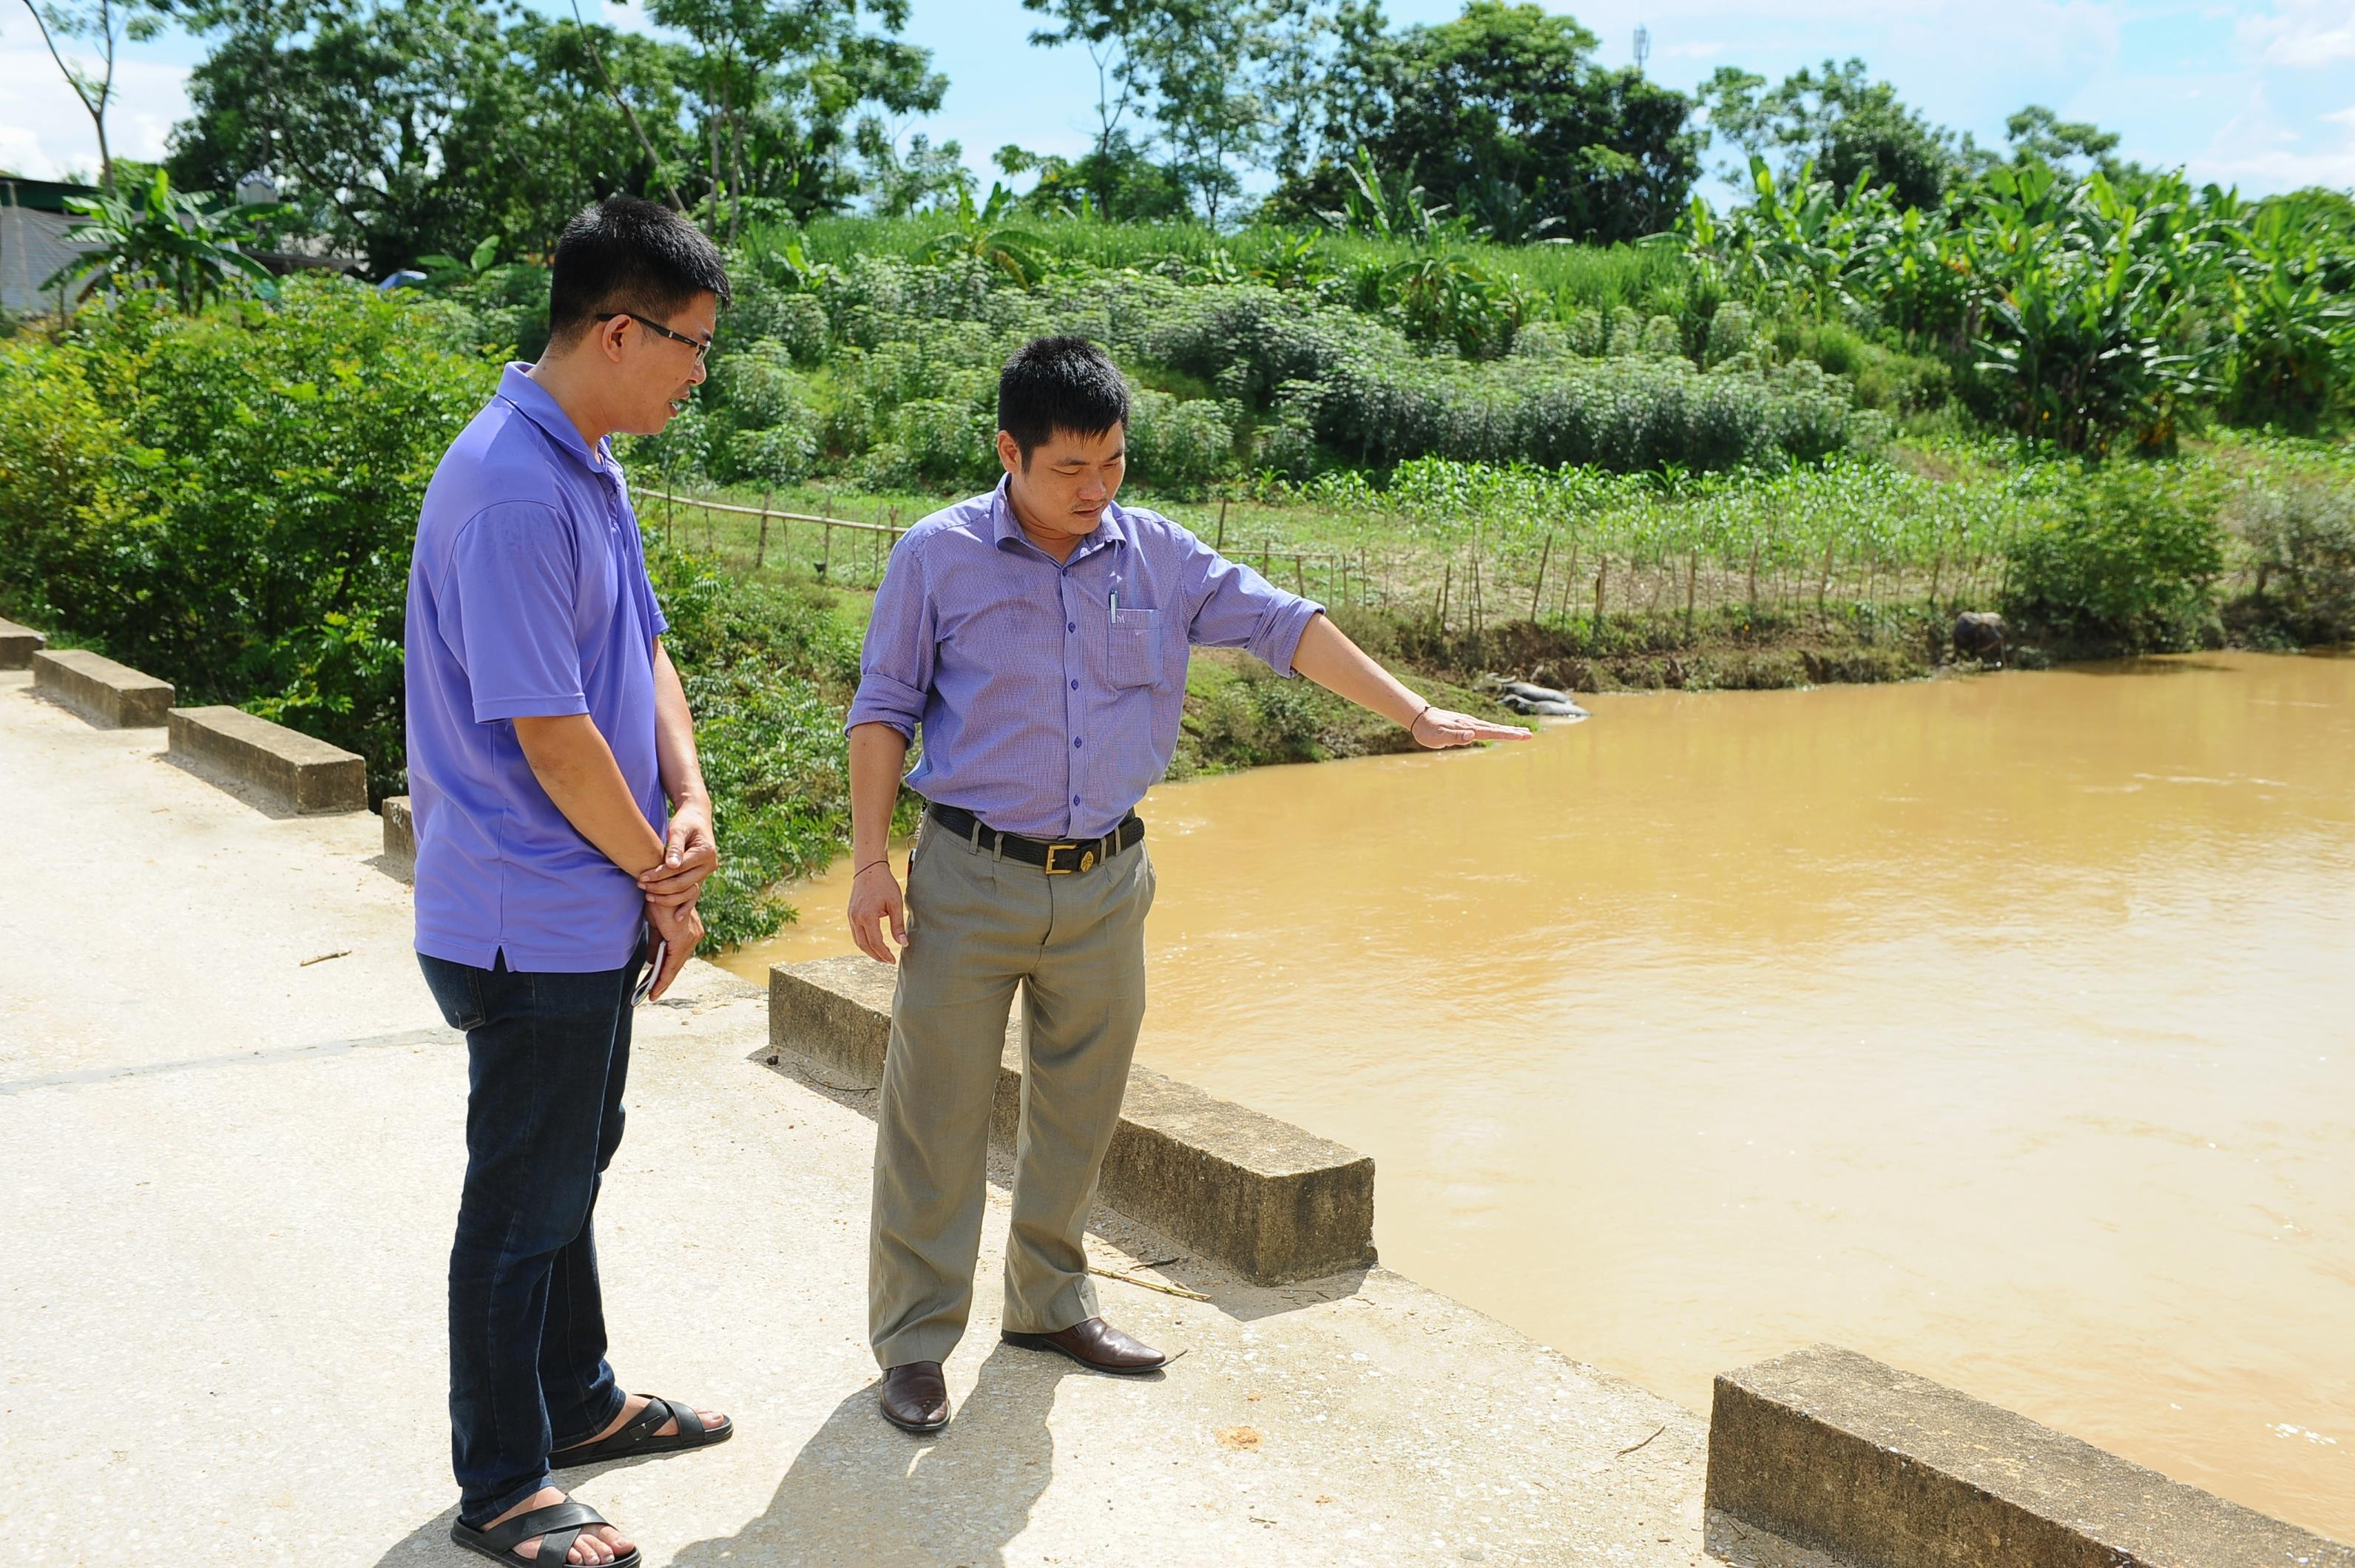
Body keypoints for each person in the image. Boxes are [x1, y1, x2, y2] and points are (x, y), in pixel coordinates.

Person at [844, 335, 1529, 1433]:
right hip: (970, 877)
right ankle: (917, 1345)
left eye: (1113, 462)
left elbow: (1284, 624)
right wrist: (873, 863)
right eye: (1070, 469)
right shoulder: (939, 556)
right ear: (1008, 452)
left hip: (1108, 883)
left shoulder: (1156, 556)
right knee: (937, 1120)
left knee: (1080, 1109)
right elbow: (883, 707)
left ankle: (1050, 1304)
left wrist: (1411, 713)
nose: (1095, 490)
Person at [405, 196, 734, 1568]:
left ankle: (581, 1402)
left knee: (566, 1166)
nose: (699, 373)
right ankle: (504, 1485)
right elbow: (549, 733)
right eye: (692, 346)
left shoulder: (587, 463)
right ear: (619, 329)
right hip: (521, 912)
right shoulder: (509, 486)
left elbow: (644, 653)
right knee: (520, 1198)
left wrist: (693, 797)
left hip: (586, 897)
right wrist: (661, 877)